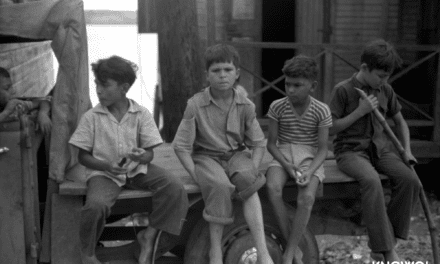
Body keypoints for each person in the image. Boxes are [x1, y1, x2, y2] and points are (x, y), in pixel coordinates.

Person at [69, 55, 188, 264]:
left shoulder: (141, 114)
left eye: (105, 85)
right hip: (103, 173)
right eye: (96, 83)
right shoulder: (91, 117)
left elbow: (150, 153)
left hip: (137, 170)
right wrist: (106, 165)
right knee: (96, 205)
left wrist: (143, 156)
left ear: (124, 88)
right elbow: (83, 157)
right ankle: (87, 253)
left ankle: (150, 235)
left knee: (174, 187)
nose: (98, 90)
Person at [172, 44, 274, 264]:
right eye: (216, 71)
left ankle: (263, 250)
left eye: (228, 70)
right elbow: (181, 146)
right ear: (207, 75)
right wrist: (195, 173)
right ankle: (215, 250)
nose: (222, 76)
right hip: (206, 157)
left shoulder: (245, 104)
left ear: (237, 73)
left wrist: (253, 167)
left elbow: (258, 143)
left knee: (249, 179)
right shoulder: (195, 105)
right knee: (219, 186)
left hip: (236, 155)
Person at [328, 39, 421, 262]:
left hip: (380, 150)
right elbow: (331, 128)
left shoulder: (385, 90)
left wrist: (407, 150)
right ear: (364, 68)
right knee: (371, 181)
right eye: (380, 75)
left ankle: (390, 239)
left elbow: (400, 122)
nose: (384, 81)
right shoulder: (343, 90)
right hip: (349, 152)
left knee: (411, 180)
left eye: (386, 77)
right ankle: (386, 250)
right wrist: (360, 112)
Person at [265, 55, 332, 264]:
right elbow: (271, 144)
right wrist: (286, 165)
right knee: (273, 188)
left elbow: (323, 149)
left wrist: (310, 171)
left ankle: (289, 251)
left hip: (310, 157)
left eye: (297, 85)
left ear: (312, 86)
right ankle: (292, 248)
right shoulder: (277, 106)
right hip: (283, 155)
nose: (291, 89)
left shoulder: (321, 110)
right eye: (287, 84)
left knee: (306, 198)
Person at [0, 66, 52, 134]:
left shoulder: (16, 106)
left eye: (11, 87)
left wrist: (43, 113)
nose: (12, 91)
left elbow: (43, 102)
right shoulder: (10, 108)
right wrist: (6, 112)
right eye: (7, 88)